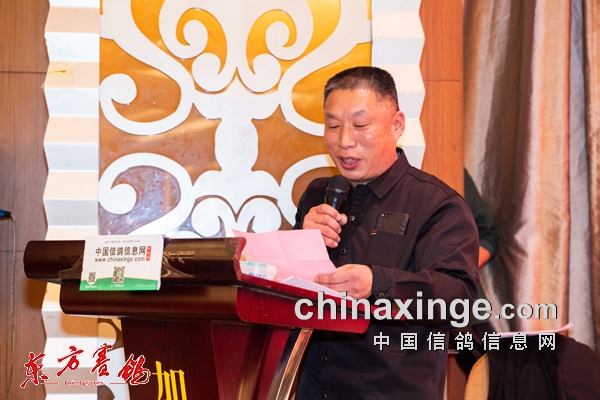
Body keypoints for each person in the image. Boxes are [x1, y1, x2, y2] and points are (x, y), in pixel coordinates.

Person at [293, 66, 480, 399]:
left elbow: (459, 298)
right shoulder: (318, 194)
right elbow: (290, 292)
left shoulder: (437, 203)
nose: (344, 141)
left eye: (360, 126)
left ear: (397, 125)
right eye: (333, 126)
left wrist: (377, 284)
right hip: (315, 389)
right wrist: (299, 245)